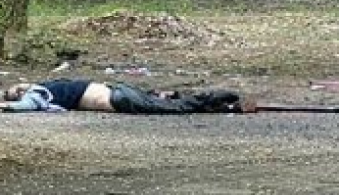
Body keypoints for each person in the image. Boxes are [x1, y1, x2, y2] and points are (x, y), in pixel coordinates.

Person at [2, 79, 245, 114]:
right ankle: (218, 104)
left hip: (117, 98)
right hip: (117, 93)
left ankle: (214, 99)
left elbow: (24, 105)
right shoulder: (52, 88)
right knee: (163, 104)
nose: (19, 92)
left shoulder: (38, 92)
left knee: (169, 108)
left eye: (15, 91)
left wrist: (5, 105)